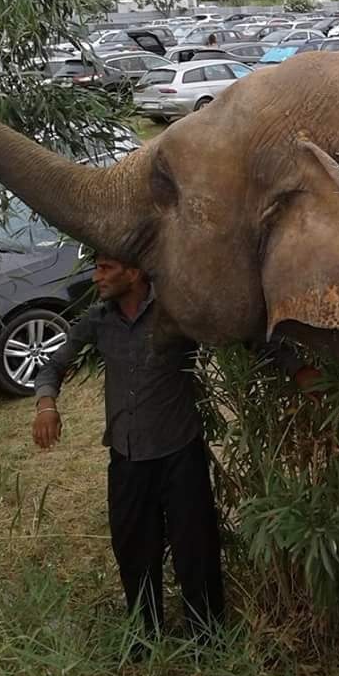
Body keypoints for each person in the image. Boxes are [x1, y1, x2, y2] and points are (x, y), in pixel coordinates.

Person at [33, 255, 224, 643]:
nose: (95, 277)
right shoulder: (98, 320)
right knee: (134, 551)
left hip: (179, 453)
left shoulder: (175, 313)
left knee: (196, 549)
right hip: (127, 457)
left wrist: (298, 370)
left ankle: (208, 638)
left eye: (105, 268)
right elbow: (53, 364)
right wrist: (46, 404)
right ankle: (145, 635)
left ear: (134, 273)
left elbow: (241, 331)